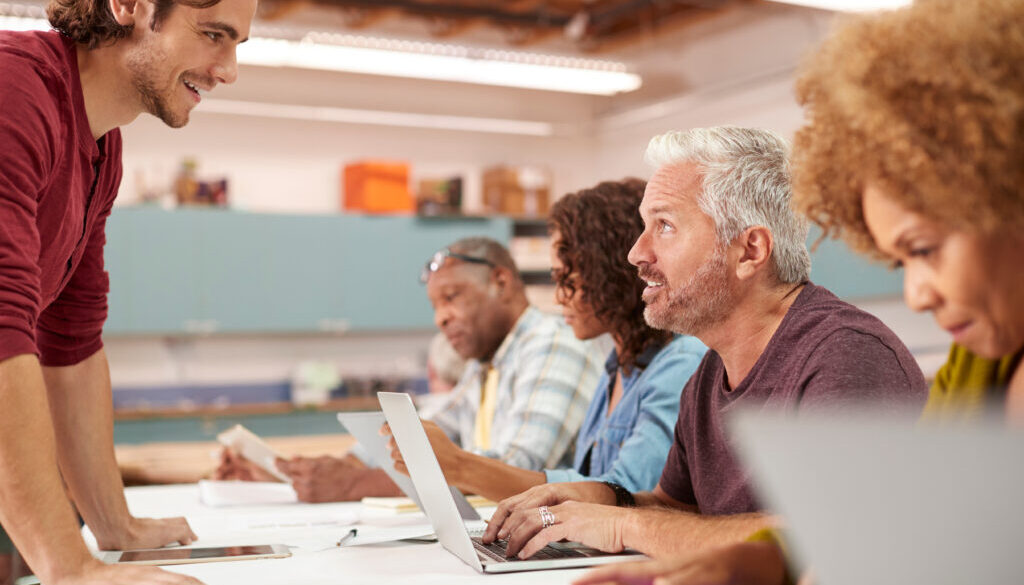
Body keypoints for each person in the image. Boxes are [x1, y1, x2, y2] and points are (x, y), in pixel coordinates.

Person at [576, 1, 1024, 583]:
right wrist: (747, 563)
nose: (915, 296)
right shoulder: (979, 363)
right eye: (898, 259)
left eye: (924, 249)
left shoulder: (852, 352)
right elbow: (897, 540)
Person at [483, 126, 928, 560]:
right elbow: (677, 510)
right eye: (645, 226)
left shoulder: (848, 355)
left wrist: (623, 525)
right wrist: (603, 498)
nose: (636, 253)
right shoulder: (710, 373)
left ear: (750, 250)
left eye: (665, 226)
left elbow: (832, 536)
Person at [0, 0, 254, 582]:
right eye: (214, 34)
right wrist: (72, 569)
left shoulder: (100, 147)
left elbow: (71, 339)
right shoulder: (14, 90)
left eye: (239, 43)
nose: (229, 68)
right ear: (130, 7)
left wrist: (115, 527)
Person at [386, 179, 707, 502]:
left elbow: (626, 495)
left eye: (567, 278)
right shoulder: (616, 370)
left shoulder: (680, 363)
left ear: (610, 270)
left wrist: (460, 466)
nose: (557, 297)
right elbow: (589, 482)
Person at [217, 236, 604, 502]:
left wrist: (354, 485)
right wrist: (293, 473)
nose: (441, 318)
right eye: (435, 306)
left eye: (451, 297)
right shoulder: (487, 365)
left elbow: (517, 469)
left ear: (500, 281)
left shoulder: (552, 344)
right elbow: (420, 433)